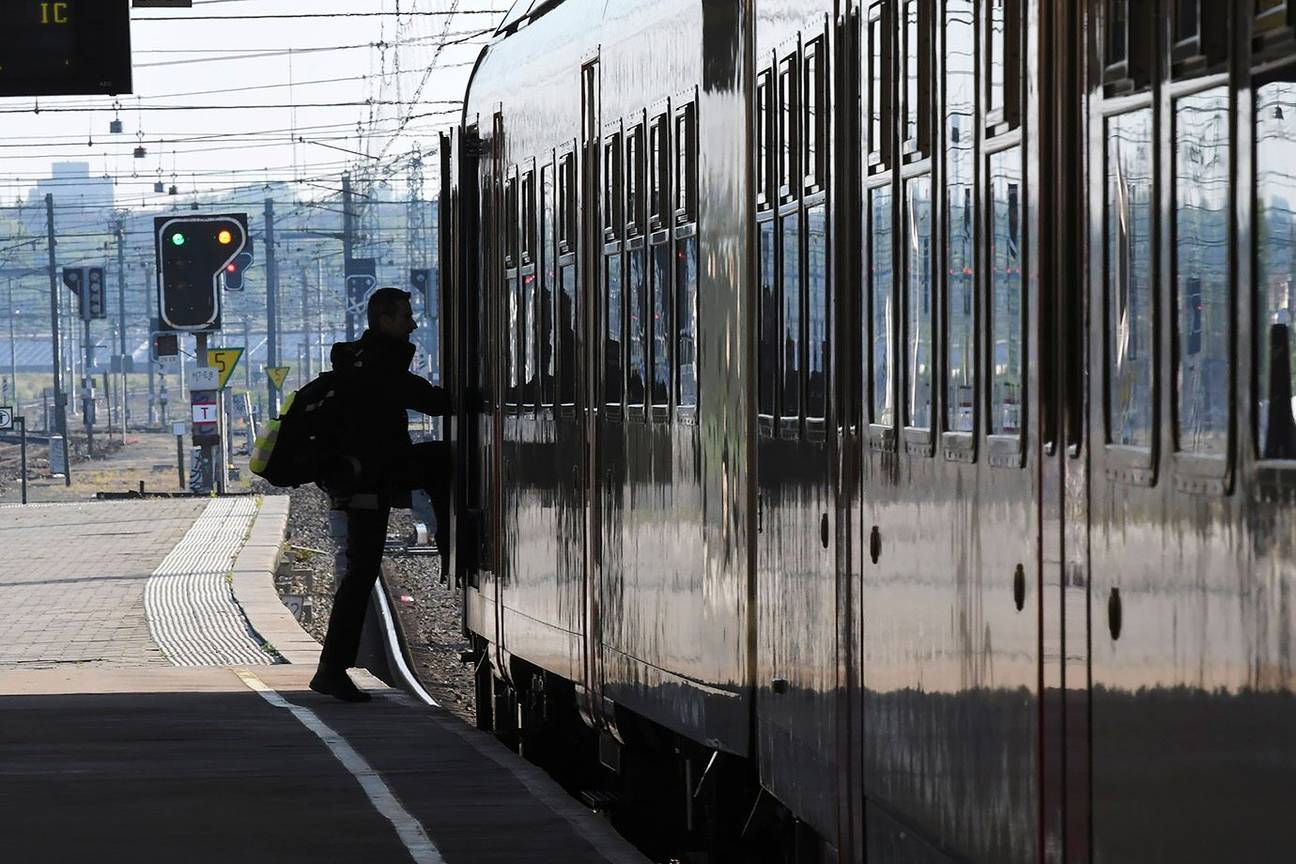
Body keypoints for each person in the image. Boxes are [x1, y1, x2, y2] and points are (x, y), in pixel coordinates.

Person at [310, 287, 450, 702]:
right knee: (361, 573)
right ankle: (332, 669)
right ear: (385, 319)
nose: (413, 324)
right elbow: (432, 401)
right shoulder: (380, 365)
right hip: (369, 481)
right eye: (406, 316)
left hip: (365, 478)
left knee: (360, 572)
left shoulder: (361, 360)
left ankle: (332, 668)